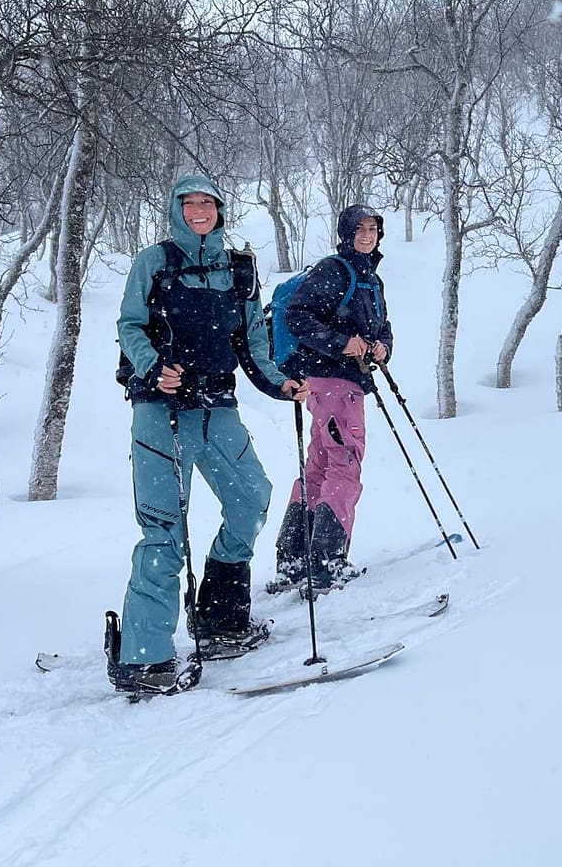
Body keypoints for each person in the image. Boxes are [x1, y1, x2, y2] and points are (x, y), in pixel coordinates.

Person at [111, 174, 308, 694]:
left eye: (207, 203)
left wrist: (278, 381)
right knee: (164, 533)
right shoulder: (153, 262)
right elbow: (130, 326)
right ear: (176, 209)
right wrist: (155, 368)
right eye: (189, 203)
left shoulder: (237, 268)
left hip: (216, 408)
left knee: (251, 498)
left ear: (220, 210)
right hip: (161, 411)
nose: (199, 211)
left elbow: (253, 339)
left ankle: (220, 619)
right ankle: (144, 658)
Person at [271, 204, 393, 595]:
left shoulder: (369, 277)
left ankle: (294, 558)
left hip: (335, 384)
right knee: (345, 463)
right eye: (360, 229)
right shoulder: (334, 270)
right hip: (335, 383)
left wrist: (381, 347)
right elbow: (297, 316)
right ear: (346, 233)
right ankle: (325, 562)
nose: (368, 235)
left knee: (321, 464)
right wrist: (343, 344)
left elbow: (382, 326)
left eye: (373, 228)